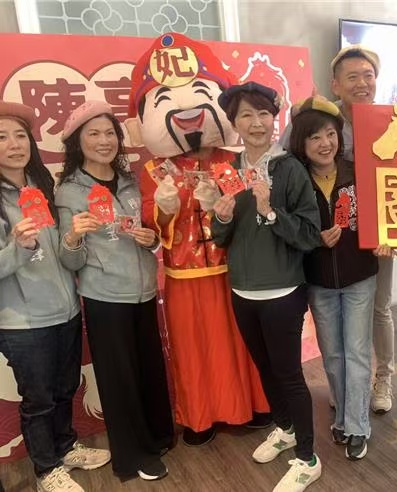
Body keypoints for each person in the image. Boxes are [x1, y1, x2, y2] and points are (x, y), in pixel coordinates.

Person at [125, 32, 270, 447]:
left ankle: (255, 406)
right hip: (184, 275)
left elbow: (255, 211)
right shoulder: (154, 170)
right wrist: (165, 207)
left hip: (235, 269)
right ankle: (200, 417)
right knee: (192, 349)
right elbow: (151, 224)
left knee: (243, 341)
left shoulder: (236, 159)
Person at [210, 82, 322, 492]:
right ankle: (285, 428)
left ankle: (307, 458)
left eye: (263, 113)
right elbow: (221, 237)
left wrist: (271, 212)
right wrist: (221, 217)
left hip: (282, 291)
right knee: (265, 368)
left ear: (275, 118)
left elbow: (309, 234)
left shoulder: (290, 169)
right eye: (246, 115)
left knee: (289, 374)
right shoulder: (229, 171)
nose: (256, 123)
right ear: (234, 123)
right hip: (242, 289)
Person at [56, 100, 174, 481]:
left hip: (144, 291)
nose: (103, 141)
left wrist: (151, 239)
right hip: (105, 297)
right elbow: (70, 259)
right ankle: (132, 456)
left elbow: (152, 233)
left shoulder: (129, 180)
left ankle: (157, 436)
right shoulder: (70, 192)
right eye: (93, 133)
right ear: (77, 142)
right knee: (119, 379)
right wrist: (74, 236)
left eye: (110, 133)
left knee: (149, 367)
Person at [0, 101, 110, 492]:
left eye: (20, 136)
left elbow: (64, 254)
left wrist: (74, 238)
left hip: (65, 310)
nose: (14, 144)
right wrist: (18, 247)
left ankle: (65, 448)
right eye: (2, 137)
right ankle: (47, 469)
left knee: (65, 389)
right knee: (39, 399)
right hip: (23, 323)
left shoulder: (43, 186)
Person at [289, 96, 392, 461]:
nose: (325, 143)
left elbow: (384, 212)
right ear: (301, 142)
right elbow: (288, 228)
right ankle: (344, 416)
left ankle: (357, 426)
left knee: (358, 352)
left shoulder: (358, 171)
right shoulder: (295, 179)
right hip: (318, 281)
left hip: (360, 276)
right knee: (333, 355)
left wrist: (385, 237)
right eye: (315, 136)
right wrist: (314, 238)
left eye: (331, 134)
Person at [330, 45, 397, 414]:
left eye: (368, 76)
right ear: (336, 85)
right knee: (335, 307)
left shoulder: (393, 120)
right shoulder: (321, 120)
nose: (362, 83)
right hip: (335, 232)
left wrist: (396, 230)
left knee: (379, 307)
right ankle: (344, 383)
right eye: (352, 76)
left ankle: (383, 377)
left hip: (379, 231)